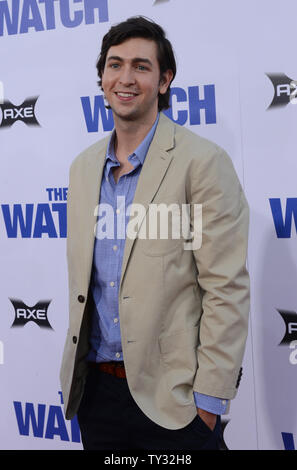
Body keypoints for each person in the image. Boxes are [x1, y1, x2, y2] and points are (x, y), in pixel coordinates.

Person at [60, 16, 250, 450]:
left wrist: (208, 402)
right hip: (97, 399)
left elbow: (226, 287)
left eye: (141, 67)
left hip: (176, 404)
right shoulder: (83, 168)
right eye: (115, 64)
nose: (126, 78)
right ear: (102, 77)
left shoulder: (202, 161)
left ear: (164, 80)